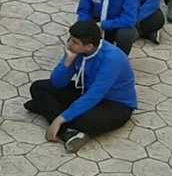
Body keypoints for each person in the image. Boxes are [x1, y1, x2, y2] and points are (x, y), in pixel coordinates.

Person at [26, 20, 137, 154]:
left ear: (89, 46)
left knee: (85, 119)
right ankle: (67, 131)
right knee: (38, 87)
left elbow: (94, 95)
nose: (69, 43)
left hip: (115, 104)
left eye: (74, 42)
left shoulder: (113, 59)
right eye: (70, 39)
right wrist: (68, 61)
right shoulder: (76, 50)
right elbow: (57, 83)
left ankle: (51, 112)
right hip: (85, 90)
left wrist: (60, 118)